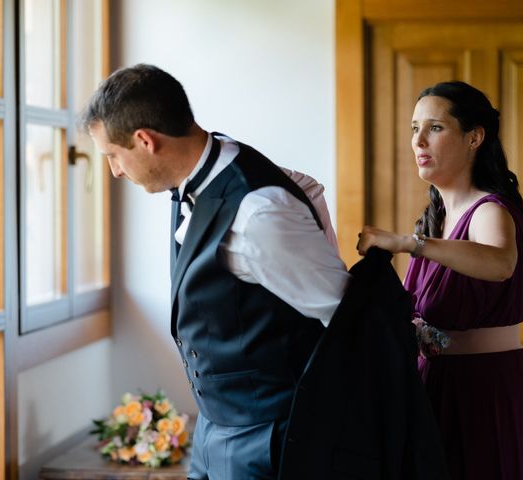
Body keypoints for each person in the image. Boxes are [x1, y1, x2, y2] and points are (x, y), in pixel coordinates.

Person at [81, 64, 351, 479]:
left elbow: (350, 318)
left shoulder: (259, 212)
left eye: (113, 157)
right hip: (211, 428)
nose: (115, 171)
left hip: (271, 440)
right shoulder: (196, 176)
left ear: (144, 141)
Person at [357, 80, 523, 479]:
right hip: (436, 386)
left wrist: (407, 243)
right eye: (414, 129)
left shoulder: (489, 211)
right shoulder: (435, 221)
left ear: (474, 137)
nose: (419, 141)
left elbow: (500, 262)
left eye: (435, 128)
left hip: (487, 392)